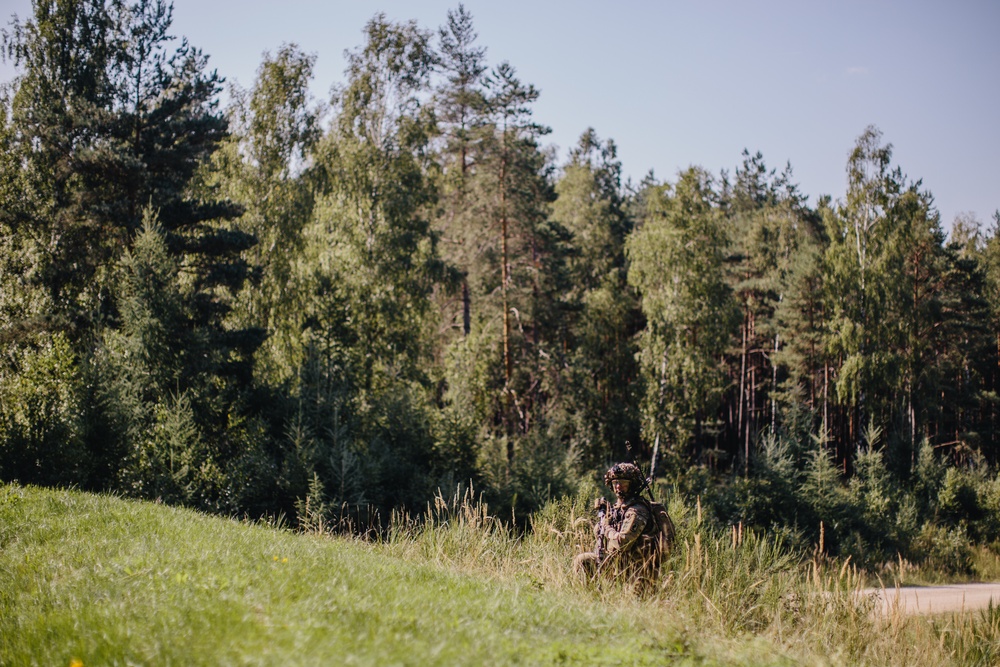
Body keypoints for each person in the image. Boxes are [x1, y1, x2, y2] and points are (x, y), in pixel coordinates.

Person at [573, 462, 661, 587]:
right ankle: (589, 599)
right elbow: (602, 534)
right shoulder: (620, 509)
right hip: (618, 564)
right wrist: (605, 515)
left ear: (632, 485)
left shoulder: (637, 511)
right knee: (584, 560)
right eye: (615, 483)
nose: (618, 487)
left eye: (623, 483)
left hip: (636, 571)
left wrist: (607, 527)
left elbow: (623, 542)